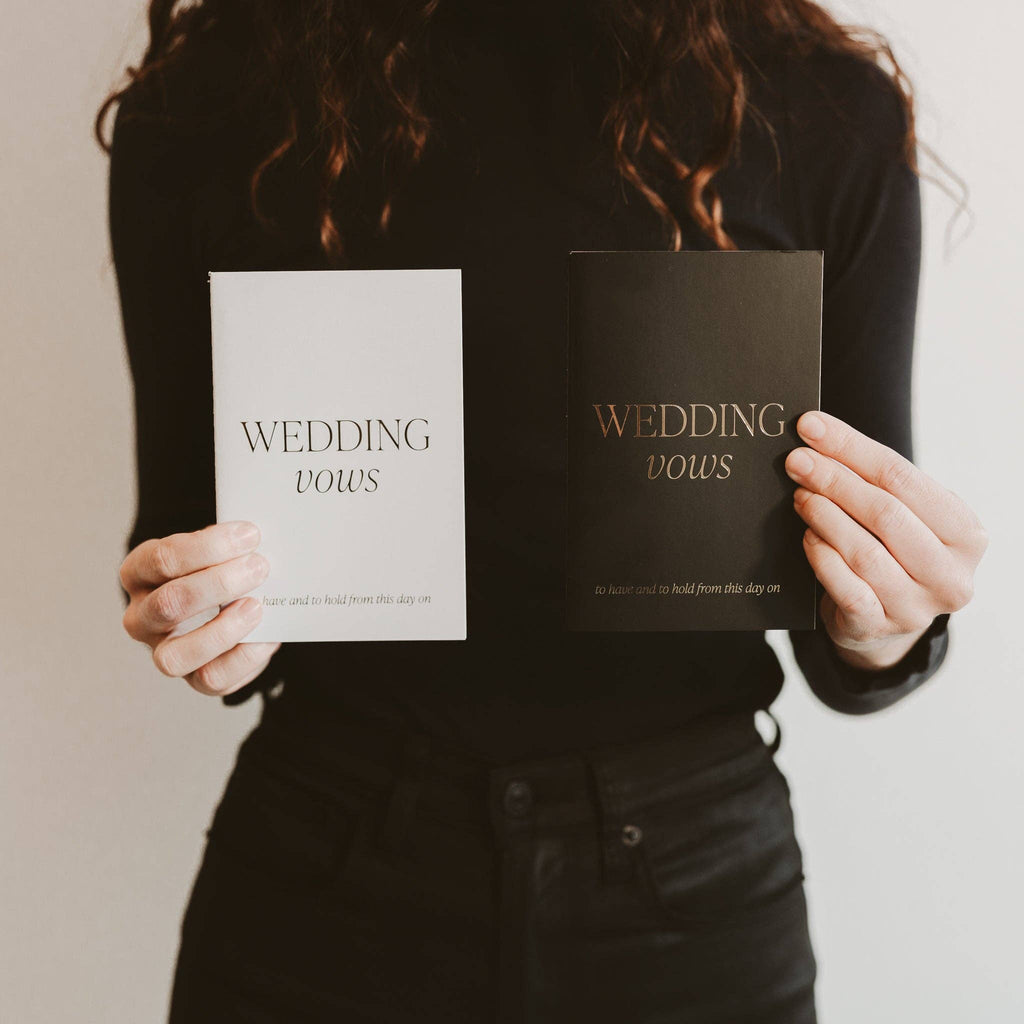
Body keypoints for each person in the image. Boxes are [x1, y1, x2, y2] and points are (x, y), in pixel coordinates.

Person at [100, 1, 988, 1020]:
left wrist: (888, 625)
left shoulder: (819, 106)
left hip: (689, 892)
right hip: (323, 874)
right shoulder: (209, 98)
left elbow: (855, 632)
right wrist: (197, 614)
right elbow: (178, 539)